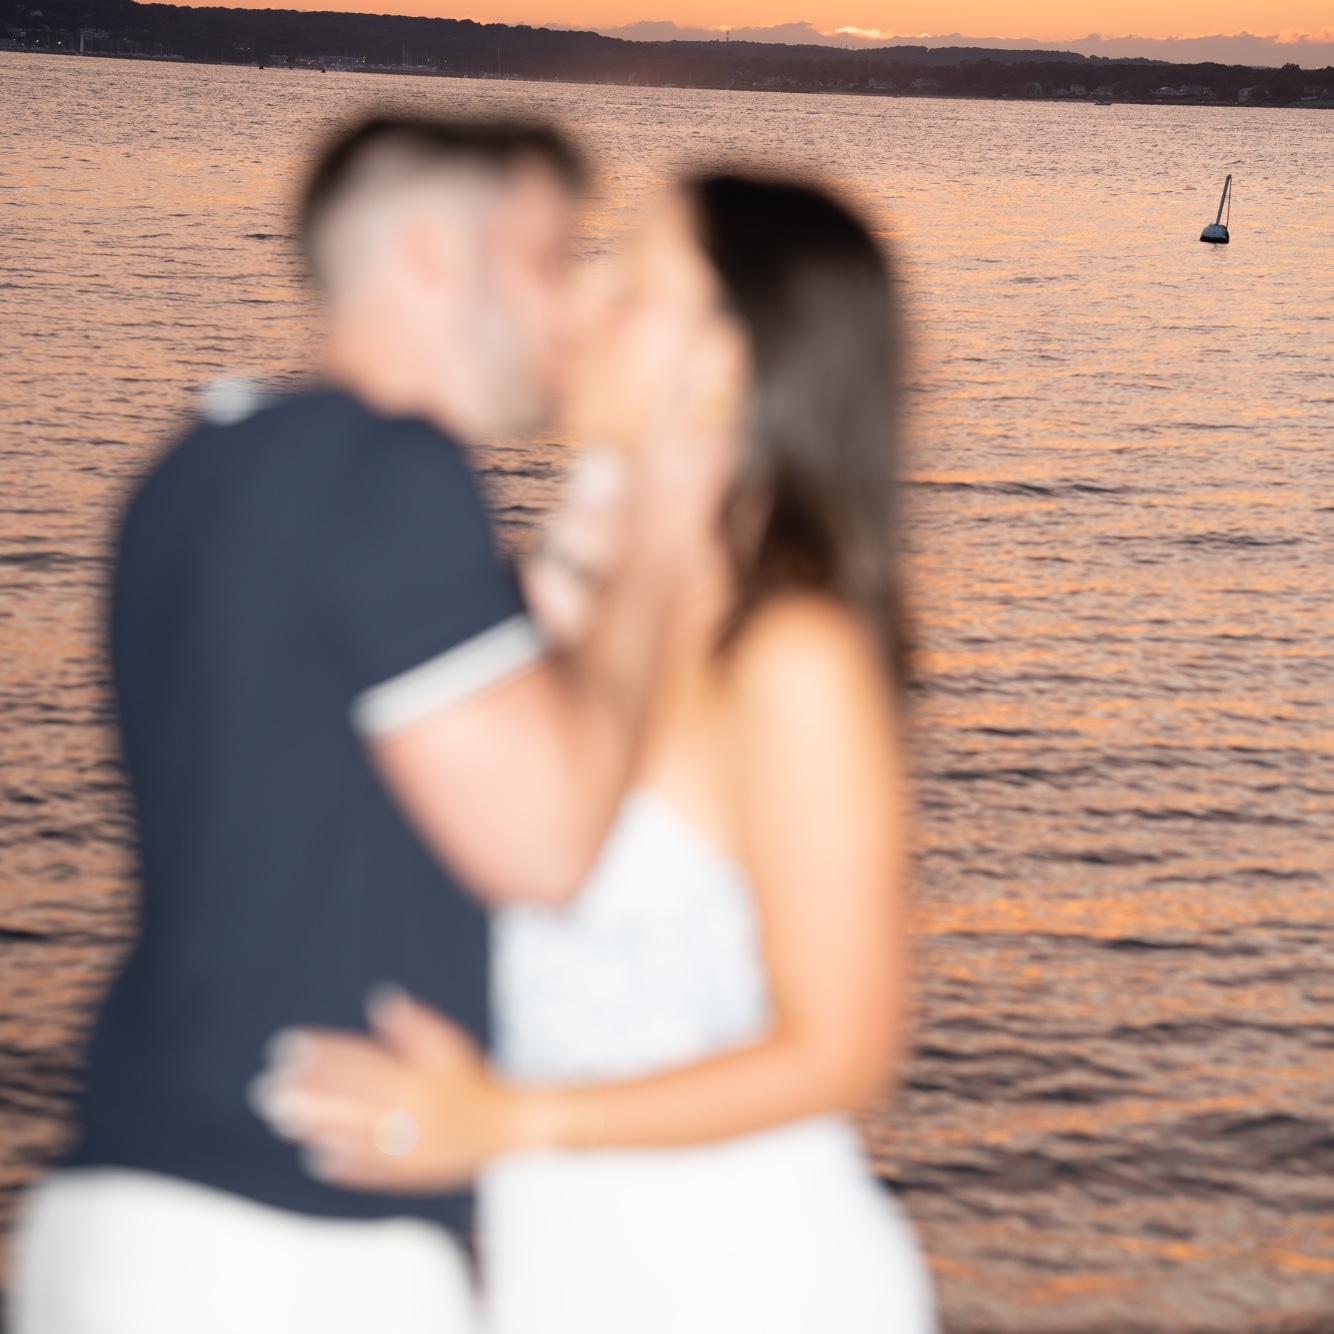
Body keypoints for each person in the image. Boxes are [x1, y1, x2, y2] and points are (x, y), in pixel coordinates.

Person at [10, 116, 714, 1334]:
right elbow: (547, 845)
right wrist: (663, 528)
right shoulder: (391, 470)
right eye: (547, 259)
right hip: (287, 1236)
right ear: (432, 252)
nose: (566, 307)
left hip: (122, 1207)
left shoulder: (198, 468)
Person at [255, 174, 937, 1332]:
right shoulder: (571, 621)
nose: (577, 302)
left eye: (630, 287)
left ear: (724, 361)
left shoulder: (788, 653)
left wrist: (503, 1119)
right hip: (558, 1277)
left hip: (749, 1280)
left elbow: (843, 1047)